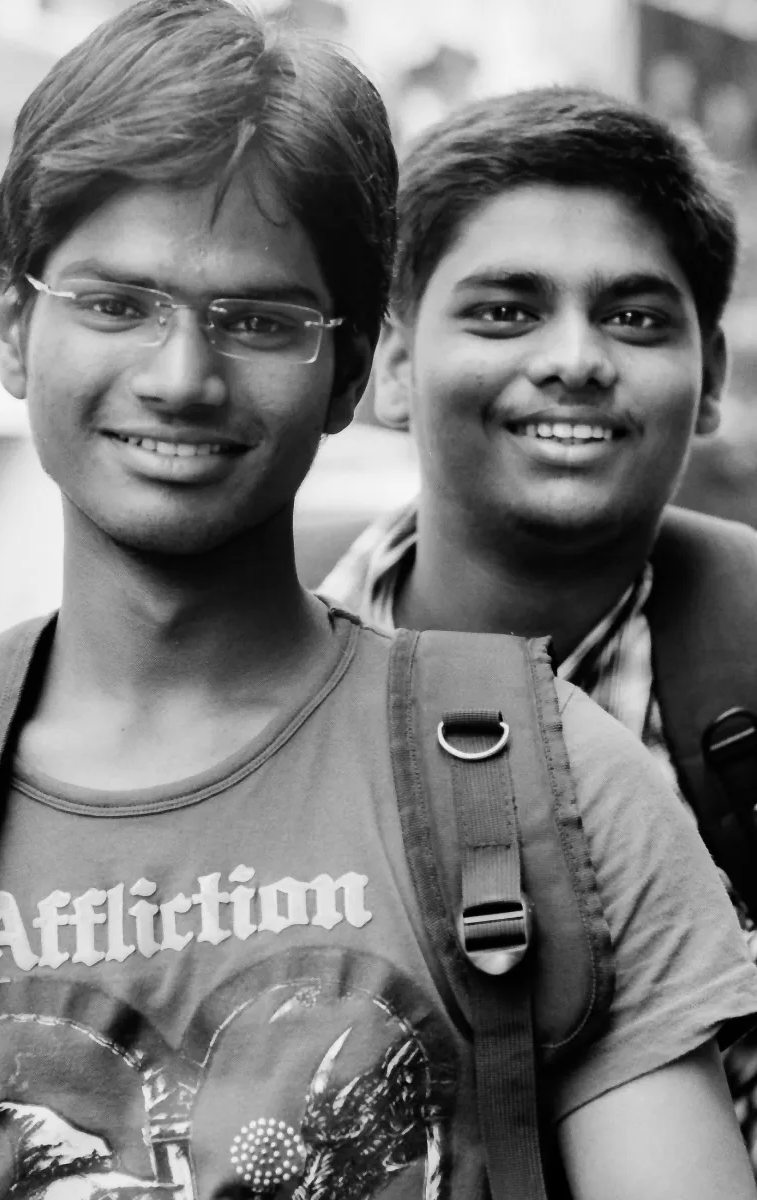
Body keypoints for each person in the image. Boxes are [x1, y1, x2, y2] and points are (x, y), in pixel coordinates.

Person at [0, 8, 757, 1194]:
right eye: (117, 302)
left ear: (341, 371)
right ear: (15, 326)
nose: (181, 377)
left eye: (258, 319)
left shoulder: (559, 788)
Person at [319, 87, 757, 1169]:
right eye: (504, 311)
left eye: (636, 317)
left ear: (709, 381)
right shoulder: (254, 702)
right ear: (389, 363)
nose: (574, 357)